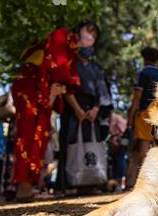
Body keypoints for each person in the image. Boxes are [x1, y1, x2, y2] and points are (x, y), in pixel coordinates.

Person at [11, 21, 97, 201]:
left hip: (47, 92)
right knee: (27, 134)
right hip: (31, 86)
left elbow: (71, 81)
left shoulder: (73, 53)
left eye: (94, 36)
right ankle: (23, 186)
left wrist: (61, 89)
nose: (90, 37)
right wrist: (63, 86)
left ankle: (29, 186)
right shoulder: (61, 34)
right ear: (79, 29)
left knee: (41, 136)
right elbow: (60, 69)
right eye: (89, 31)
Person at [56, 21, 112, 196]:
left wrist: (96, 109)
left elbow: (102, 91)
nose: (90, 39)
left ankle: (90, 181)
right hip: (72, 109)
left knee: (91, 144)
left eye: (93, 37)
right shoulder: (69, 63)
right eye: (87, 35)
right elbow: (64, 87)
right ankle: (66, 184)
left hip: (91, 112)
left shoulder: (96, 68)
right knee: (69, 144)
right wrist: (77, 109)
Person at [126, 47, 158, 189]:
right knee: (157, 146)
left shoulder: (143, 72)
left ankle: (146, 179)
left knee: (144, 146)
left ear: (144, 58)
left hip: (145, 112)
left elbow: (138, 95)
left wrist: (132, 114)